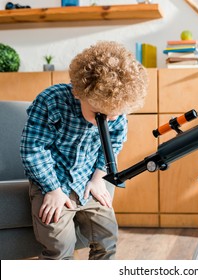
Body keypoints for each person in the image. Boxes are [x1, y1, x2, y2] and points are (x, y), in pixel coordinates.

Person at [20, 41, 148, 260]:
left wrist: (99, 178)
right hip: (52, 182)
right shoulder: (52, 101)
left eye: (114, 115)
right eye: (99, 114)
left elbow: (115, 142)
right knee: (60, 246)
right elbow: (33, 149)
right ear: (79, 92)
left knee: (107, 238)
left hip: (87, 181)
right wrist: (52, 190)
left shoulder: (115, 109)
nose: (106, 121)